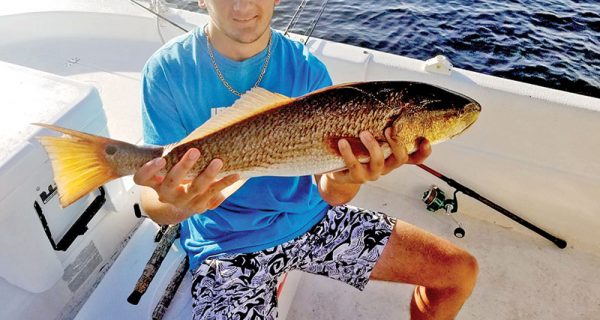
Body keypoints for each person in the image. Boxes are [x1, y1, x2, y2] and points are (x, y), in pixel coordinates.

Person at [134, 0, 478, 319]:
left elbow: (332, 193)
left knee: (459, 273)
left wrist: (350, 177)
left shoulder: (306, 67)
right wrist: (178, 204)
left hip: (315, 223)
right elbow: (153, 201)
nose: (241, 5)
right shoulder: (167, 71)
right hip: (227, 245)